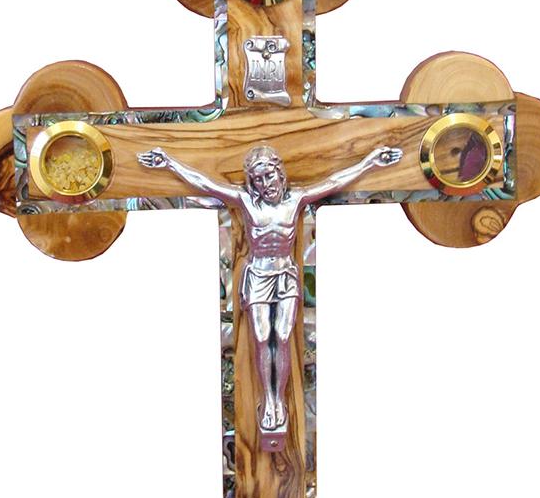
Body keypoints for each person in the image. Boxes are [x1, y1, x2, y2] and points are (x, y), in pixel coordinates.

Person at [138, 143, 402, 434]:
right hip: (258, 276)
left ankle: (278, 400)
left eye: (269, 176)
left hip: (286, 275)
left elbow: (335, 181)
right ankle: (268, 399)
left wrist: (370, 162)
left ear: (280, 173)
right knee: (263, 338)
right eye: (258, 180)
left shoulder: (296, 200)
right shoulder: (247, 202)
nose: (266, 184)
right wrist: (169, 163)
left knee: (284, 336)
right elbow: (205, 183)